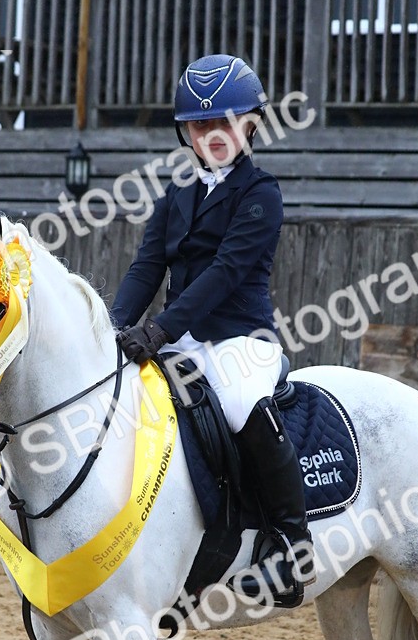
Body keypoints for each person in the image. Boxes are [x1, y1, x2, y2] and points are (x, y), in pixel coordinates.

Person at [111, 53, 314, 606]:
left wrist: (158, 330)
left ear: (251, 123)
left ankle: (291, 547)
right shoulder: (176, 194)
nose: (212, 135)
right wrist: (113, 327)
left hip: (239, 339)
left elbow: (225, 274)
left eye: (224, 122)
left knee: (242, 404)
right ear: (187, 132)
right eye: (200, 125)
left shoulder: (261, 193)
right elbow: (146, 268)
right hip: (178, 338)